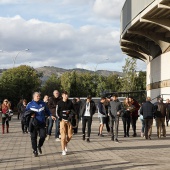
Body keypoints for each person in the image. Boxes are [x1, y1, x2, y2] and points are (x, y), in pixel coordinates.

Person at [26, 92, 56, 157]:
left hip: (42, 123)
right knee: (33, 138)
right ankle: (35, 150)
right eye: (37, 96)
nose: (39, 97)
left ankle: (39, 146)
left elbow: (47, 111)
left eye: (39, 96)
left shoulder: (43, 103)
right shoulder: (30, 104)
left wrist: (51, 116)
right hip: (33, 123)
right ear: (34, 97)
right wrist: (30, 115)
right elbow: (25, 113)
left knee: (43, 136)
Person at [56, 91, 75, 156]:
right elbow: (57, 112)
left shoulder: (70, 102)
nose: (66, 96)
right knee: (63, 137)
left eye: (67, 95)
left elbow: (73, 110)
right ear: (62, 95)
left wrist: (71, 116)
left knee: (70, 135)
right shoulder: (59, 103)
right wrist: (60, 118)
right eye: (65, 95)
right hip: (62, 121)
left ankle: (65, 143)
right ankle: (63, 150)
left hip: (69, 120)